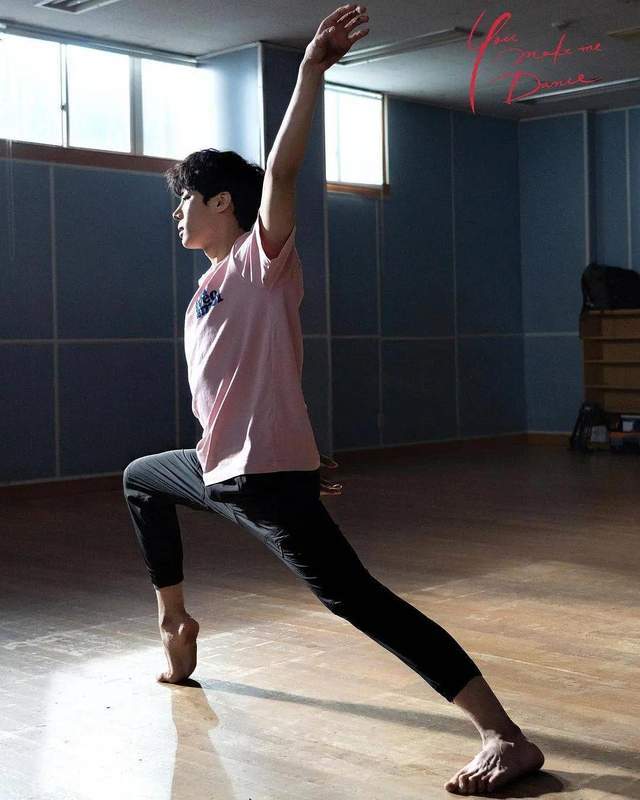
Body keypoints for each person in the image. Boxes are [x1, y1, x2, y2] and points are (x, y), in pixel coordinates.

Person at [122, 4, 545, 795]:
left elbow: (281, 175)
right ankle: (174, 622)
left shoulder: (259, 264)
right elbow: (240, 390)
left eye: (185, 199)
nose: (176, 213)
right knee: (142, 478)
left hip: (262, 483)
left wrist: (312, 69)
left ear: (223, 204)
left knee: (360, 601)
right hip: (219, 470)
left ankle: (504, 736)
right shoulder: (207, 290)